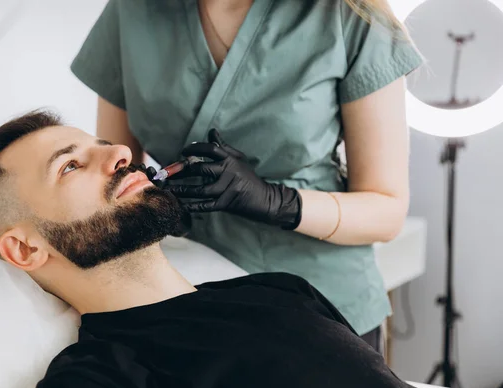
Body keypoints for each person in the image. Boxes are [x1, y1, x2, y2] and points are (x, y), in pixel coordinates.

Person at [0, 111, 422, 388]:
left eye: (103, 145)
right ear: (25, 248)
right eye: (70, 166)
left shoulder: (278, 288)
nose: (121, 153)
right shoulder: (98, 380)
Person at [69, 0, 424, 352]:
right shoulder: (132, 11)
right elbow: (114, 175)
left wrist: (277, 202)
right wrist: (151, 204)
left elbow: (386, 210)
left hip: (323, 308)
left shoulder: (348, 15)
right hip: (188, 302)